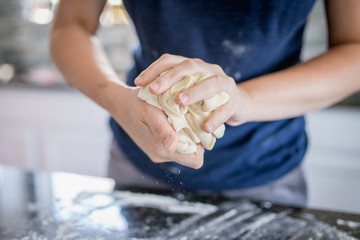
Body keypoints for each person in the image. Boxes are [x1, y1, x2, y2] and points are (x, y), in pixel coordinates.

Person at [50, 0, 360, 206]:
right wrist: (117, 100)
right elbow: (70, 25)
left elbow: (355, 49)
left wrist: (246, 99)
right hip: (140, 160)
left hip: (265, 166)